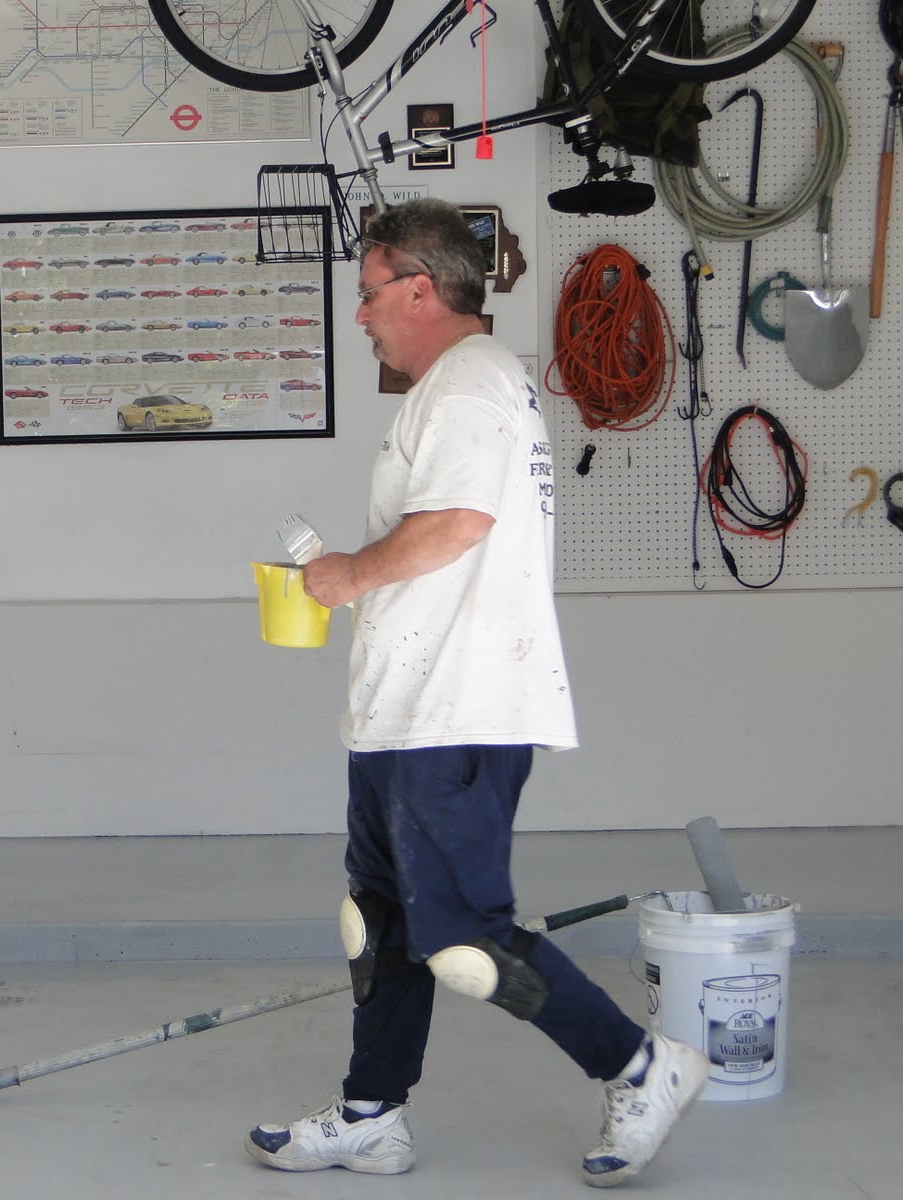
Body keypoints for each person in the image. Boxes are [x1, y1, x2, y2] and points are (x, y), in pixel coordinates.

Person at [246, 200, 706, 1188]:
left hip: (454, 711)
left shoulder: (467, 386)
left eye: (370, 293)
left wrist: (345, 577)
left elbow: (457, 522)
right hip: (403, 714)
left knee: (464, 941)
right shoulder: (452, 390)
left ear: (421, 287)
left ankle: (641, 1064)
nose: (360, 313)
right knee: (384, 927)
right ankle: (372, 1115)